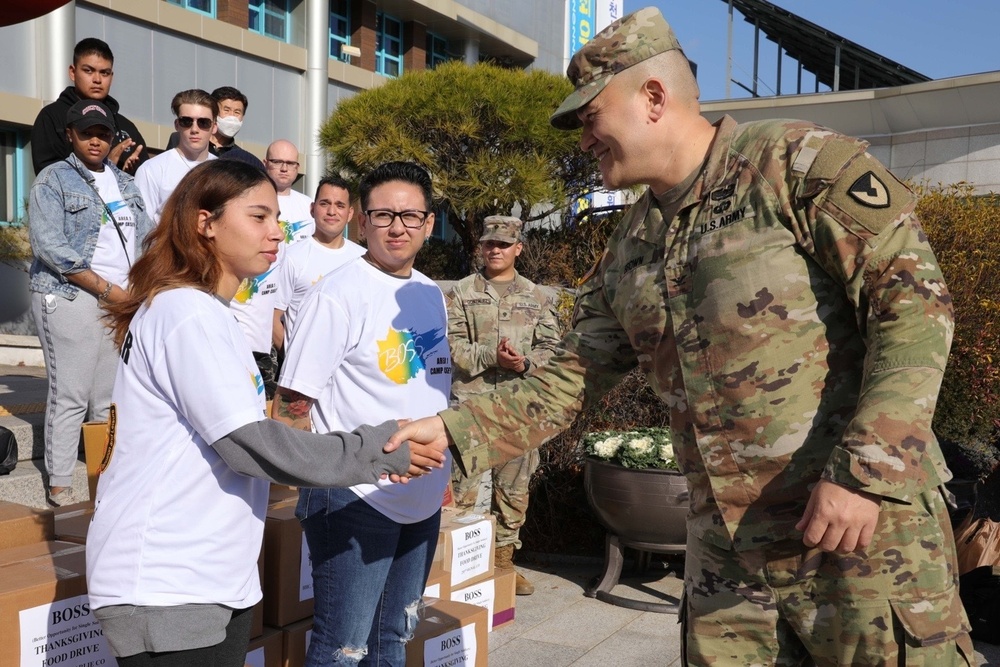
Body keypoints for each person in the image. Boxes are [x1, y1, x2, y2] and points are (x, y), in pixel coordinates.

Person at [391, 7, 973, 665]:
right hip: (728, 567)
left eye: (591, 117)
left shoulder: (794, 165)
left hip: (859, 538)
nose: (583, 141)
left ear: (654, 97)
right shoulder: (629, 247)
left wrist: (865, 473)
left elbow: (913, 309)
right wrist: (453, 431)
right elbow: (569, 380)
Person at [86, 159, 447, 667]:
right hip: (168, 580)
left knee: (391, 638)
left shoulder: (208, 313)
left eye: (276, 217)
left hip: (209, 576)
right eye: (259, 217)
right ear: (205, 223)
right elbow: (252, 442)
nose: (277, 232)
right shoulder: (185, 313)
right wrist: (380, 451)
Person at [272, 161, 451, 667]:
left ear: (429, 224)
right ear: (362, 221)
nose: (397, 228)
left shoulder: (429, 292)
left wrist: (445, 479)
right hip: (355, 498)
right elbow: (291, 405)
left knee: (394, 637)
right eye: (383, 215)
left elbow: (432, 390)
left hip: (422, 496)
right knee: (344, 648)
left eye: (410, 216)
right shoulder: (337, 293)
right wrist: (310, 485)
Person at [28, 99, 153, 507]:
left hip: (120, 299)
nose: (95, 140)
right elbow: (50, 246)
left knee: (107, 398)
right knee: (71, 393)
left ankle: (103, 480)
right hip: (72, 295)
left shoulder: (126, 183)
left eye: (103, 133)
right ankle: (61, 485)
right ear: (70, 135)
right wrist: (107, 290)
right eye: (86, 133)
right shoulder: (53, 179)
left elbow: (147, 238)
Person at [446, 215, 561, 596]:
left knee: (513, 491)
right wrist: (491, 358)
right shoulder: (461, 293)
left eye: (503, 244)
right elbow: (452, 346)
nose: (495, 250)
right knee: (464, 492)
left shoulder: (537, 297)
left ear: (518, 249)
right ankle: (463, 568)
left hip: (518, 408)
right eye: (489, 244)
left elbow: (553, 349)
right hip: (472, 408)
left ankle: (504, 565)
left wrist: (524, 364)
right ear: (480, 247)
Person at [230, 139, 313, 398]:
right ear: (266, 163)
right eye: (277, 162)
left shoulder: (308, 206)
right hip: (243, 314)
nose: (284, 168)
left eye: (290, 163)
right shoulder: (248, 201)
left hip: (283, 317)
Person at [272, 174, 365, 351]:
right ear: (312, 209)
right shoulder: (292, 257)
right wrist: (292, 357)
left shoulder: (363, 258)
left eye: (340, 205)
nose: (332, 212)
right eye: (324, 204)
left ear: (350, 213)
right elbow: (273, 318)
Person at [31, 38, 147, 176]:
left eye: (104, 73)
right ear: (73, 72)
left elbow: (146, 183)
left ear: (111, 77)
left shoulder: (126, 127)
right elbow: (49, 179)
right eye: (88, 71)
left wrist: (128, 177)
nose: (97, 79)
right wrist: (105, 169)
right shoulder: (52, 117)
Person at [134, 89, 217, 223]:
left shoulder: (223, 171)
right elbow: (141, 226)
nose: (194, 129)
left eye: (203, 122)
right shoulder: (152, 169)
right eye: (186, 121)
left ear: (214, 127)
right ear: (177, 125)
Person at [165, 86, 263, 168]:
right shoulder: (181, 138)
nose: (231, 117)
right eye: (226, 110)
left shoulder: (239, 157)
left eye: (237, 112)